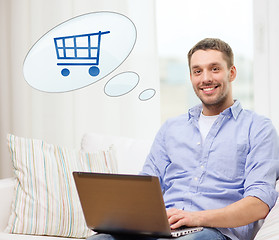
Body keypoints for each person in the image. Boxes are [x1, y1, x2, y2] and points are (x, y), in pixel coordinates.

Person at [89, 38, 279, 240]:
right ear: (190, 77)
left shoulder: (258, 128)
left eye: (214, 69)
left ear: (231, 73)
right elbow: (145, 187)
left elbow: (258, 204)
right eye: (198, 71)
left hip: (213, 233)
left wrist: (196, 218)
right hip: (162, 229)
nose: (205, 78)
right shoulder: (171, 128)